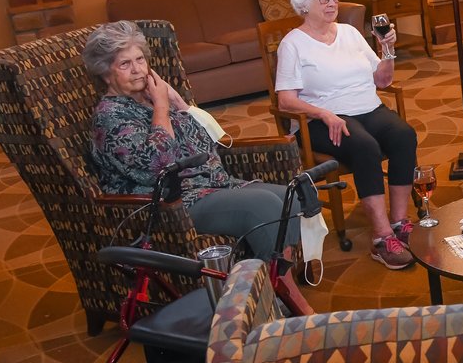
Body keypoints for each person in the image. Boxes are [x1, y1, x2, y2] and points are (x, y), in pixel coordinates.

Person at [83, 20, 309, 306]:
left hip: (209, 186)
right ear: (105, 73)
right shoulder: (110, 117)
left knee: (288, 196)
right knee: (264, 206)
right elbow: (158, 163)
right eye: (125, 64)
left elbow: (208, 139)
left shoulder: (151, 99)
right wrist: (162, 109)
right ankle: (292, 302)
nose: (138, 69)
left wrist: (177, 103)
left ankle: (265, 291)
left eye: (140, 59)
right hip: (168, 202)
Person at [274, 0, 418, 270]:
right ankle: (381, 240)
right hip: (320, 121)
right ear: (304, 3)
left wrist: (388, 50)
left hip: (368, 107)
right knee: (364, 146)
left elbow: (382, 81)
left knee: (404, 134)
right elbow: (285, 100)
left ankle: (400, 223)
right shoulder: (293, 44)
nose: (332, 3)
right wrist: (323, 113)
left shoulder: (350, 33)